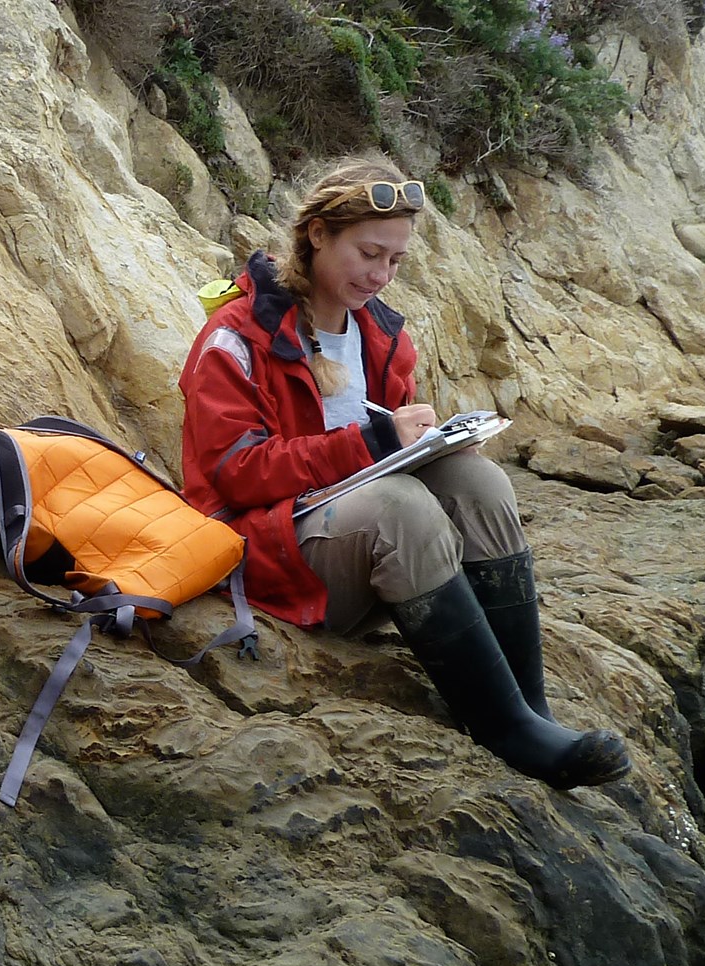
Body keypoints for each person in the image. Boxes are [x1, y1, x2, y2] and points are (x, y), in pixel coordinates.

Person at [178, 155, 631, 789]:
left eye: (394, 261)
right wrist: (372, 441)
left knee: (480, 484)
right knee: (401, 506)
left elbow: (384, 452)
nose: (381, 275)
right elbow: (234, 473)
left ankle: (531, 709)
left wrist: (434, 448)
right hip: (266, 558)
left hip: (354, 551)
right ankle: (504, 729)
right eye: (369, 253)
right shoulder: (237, 338)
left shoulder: (382, 337)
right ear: (317, 235)